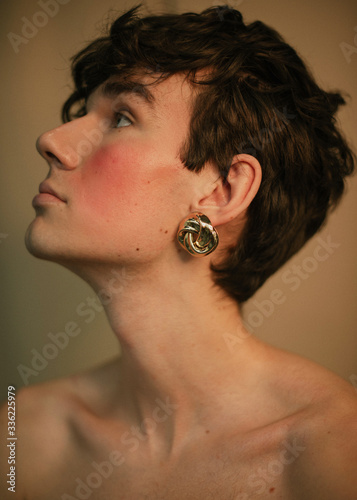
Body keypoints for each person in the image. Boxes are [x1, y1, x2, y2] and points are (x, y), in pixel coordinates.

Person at [1, 4, 357, 499]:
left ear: (222, 193)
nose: (52, 141)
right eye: (85, 112)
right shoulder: (21, 438)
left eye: (122, 117)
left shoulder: (333, 452)